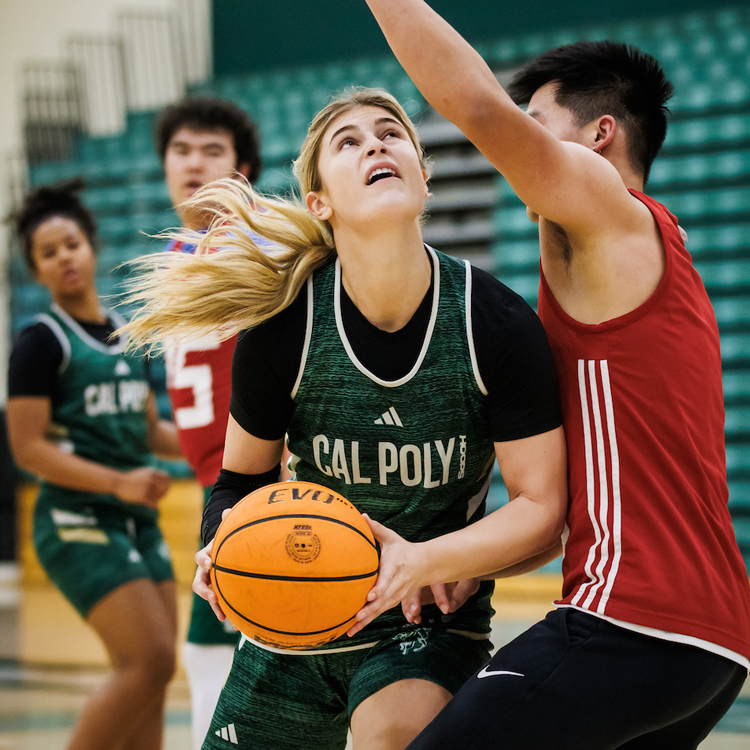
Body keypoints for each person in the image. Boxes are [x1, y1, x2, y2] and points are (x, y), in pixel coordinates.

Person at [352, 3, 750, 748]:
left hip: (629, 624)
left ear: (601, 136)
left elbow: (470, 103)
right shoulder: (639, 263)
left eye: (537, 119)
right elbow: (583, 503)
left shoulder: (609, 206)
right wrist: (461, 562)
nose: (521, 138)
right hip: (709, 648)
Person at [121, 87, 567, 750]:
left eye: (391, 134)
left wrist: (425, 561)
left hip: (423, 622)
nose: (376, 145)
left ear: (424, 174)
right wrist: (219, 546)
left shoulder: (492, 322)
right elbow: (237, 485)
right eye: (349, 142)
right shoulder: (283, 331)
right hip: (293, 605)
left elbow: (544, 509)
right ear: (318, 202)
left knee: (393, 739)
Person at [6, 179, 183, 750]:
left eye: (71, 244)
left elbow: (149, 429)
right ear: (37, 271)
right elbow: (27, 448)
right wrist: (119, 482)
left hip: (134, 518)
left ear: (91, 246)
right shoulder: (40, 341)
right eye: (48, 253)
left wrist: (225, 445)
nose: (64, 258)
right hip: (75, 520)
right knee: (149, 660)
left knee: (154, 675)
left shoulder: (127, 336)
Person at [154, 95, 267, 750]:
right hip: (213, 484)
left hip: (256, 482)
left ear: (242, 170)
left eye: (212, 150)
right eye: (181, 149)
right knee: (208, 652)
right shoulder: (177, 249)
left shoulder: (248, 241)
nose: (194, 162)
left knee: (226, 653)